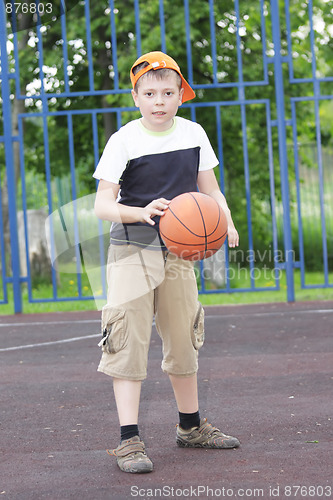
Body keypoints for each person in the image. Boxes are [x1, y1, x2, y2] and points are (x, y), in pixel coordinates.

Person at [93, 51, 240, 474]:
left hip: (180, 253)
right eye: (150, 93)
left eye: (168, 93)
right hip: (133, 247)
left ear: (180, 96)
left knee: (183, 336)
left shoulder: (193, 133)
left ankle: (190, 428)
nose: (159, 100)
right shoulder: (124, 140)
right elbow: (103, 204)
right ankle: (128, 440)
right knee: (127, 340)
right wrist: (140, 212)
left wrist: (225, 221)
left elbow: (210, 190)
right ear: (136, 97)